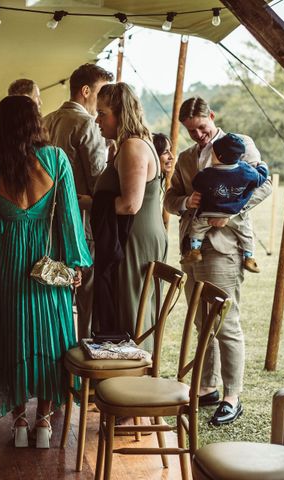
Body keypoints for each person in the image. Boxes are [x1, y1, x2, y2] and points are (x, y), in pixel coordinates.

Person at [0, 95, 92, 448]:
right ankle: (45, 423)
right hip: (46, 266)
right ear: (36, 122)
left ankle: (19, 421)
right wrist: (75, 262)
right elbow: (69, 217)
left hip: (8, 264)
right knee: (52, 340)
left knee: (13, 337)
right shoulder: (56, 159)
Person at [164, 96, 272, 426]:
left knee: (226, 322)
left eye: (202, 127)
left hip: (225, 247)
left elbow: (263, 184)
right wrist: (185, 200)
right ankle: (208, 387)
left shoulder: (241, 145)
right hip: (191, 247)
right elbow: (170, 199)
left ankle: (232, 395)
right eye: (191, 130)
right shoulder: (184, 158)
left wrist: (231, 210)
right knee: (201, 323)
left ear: (212, 116)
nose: (198, 134)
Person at [89, 82, 167, 342]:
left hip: (135, 236)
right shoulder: (125, 145)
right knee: (128, 303)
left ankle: (134, 369)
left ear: (121, 114)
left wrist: (89, 203)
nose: (97, 120)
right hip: (133, 233)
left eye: (102, 113)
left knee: (134, 307)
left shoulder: (133, 146)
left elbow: (130, 204)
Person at [43, 63, 112, 340]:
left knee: (55, 292)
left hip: (48, 223)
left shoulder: (47, 120)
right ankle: (83, 361)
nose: (104, 101)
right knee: (86, 300)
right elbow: (98, 181)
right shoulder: (85, 123)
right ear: (86, 91)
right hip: (82, 224)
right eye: (101, 93)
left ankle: (56, 354)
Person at [182, 133, 269, 273]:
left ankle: (195, 250)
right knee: (246, 233)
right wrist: (263, 166)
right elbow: (260, 179)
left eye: (213, 153)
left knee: (197, 228)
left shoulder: (207, 173)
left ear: (219, 157)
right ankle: (249, 257)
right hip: (234, 213)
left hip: (208, 212)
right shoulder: (245, 170)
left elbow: (196, 184)